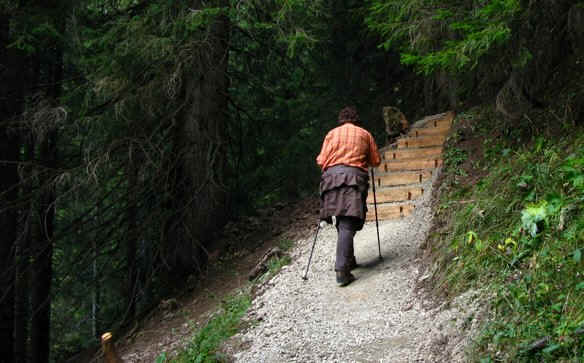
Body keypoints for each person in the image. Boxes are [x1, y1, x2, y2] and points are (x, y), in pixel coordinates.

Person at [316, 106, 381, 286]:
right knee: (348, 222)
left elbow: (321, 160)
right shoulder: (365, 134)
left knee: (343, 220)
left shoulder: (331, 134)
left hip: (331, 179)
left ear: (341, 120)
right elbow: (376, 161)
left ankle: (349, 260)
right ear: (356, 119)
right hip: (353, 178)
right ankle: (342, 270)